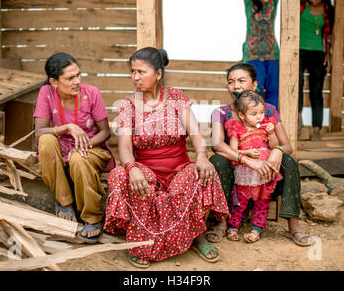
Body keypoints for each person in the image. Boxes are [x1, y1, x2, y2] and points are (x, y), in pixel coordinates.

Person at [103, 47, 229, 269]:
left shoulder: (177, 98)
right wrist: (132, 168)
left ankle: (195, 236)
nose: (135, 78)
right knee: (118, 175)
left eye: (141, 72)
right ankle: (140, 241)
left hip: (177, 168)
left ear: (159, 74)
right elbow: (124, 147)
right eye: (132, 72)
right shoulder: (128, 105)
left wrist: (201, 155)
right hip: (145, 170)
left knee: (199, 172)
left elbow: (197, 135)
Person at [206, 62, 312, 247]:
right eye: (231, 82)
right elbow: (216, 144)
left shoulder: (268, 110)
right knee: (217, 160)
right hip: (234, 177)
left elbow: (287, 145)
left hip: (265, 176)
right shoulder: (221, 112)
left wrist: (277, 152)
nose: (236, 85)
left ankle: (293, 224)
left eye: (241, 80)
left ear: (255, 85)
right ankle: (221, 222)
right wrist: (245, 159)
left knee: (289, 161)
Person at [34, 52, 115, 243]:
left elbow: (105, 133)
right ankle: (65, 203)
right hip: (60, 151)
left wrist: (82, 145)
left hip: (92, 149)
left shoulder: (91, 93)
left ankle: (92, 217)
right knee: (45, 141)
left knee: (79, 159)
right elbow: (39, 132)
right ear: (54, 82)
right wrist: (68, 127)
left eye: (78, 75)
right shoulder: (46, 93)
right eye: (70, 78)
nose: (77, 81)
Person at [225, 90, 282, 243]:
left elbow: (275, 146)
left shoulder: (265, 127)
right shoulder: (237, 129)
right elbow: (233, 151)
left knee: (263, 201)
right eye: (254, 113)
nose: (260, 116)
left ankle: (256, 229)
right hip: (246, 171)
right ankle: (233, 226)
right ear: (242, 115)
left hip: (265, 171)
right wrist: (248, 153)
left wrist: (271, 134)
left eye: (262, 112)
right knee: (240, 202)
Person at [298, 0, 335, 140]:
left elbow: (329, 35)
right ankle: (297, 120)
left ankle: (316, 129)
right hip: (298, 51)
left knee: (316, 90)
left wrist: (328, 54)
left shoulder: (328, 9)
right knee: (296, 85)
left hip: (319, 53)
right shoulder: (300, 3)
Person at [242, 0, 281, 108]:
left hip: (273, 55)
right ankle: (253, 125)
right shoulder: (249, 4)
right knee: (255, 92)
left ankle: (271, 124)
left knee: (274, 91)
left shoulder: (273, 4)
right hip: (253, 55)